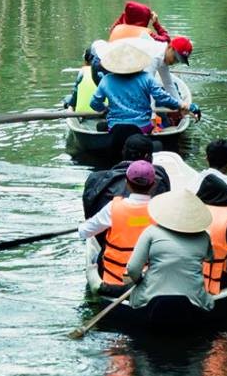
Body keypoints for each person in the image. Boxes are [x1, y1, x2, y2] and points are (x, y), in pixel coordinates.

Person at [92, 39, 193, 154]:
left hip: (114, 127)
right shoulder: (148, 71)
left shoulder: (106, 80)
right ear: (170, 48)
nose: (174, 62)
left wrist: (182, 105)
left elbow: (168, 84)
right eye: (175, 58)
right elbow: (155, 95)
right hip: (141, 127)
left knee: (118, 100)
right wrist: (154, 118)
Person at [79, 159, 158, 291]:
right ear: (153, 184)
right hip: (149, 284)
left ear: (127, 183)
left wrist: (82, 226)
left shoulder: (113, 208)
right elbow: (139, 221)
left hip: (114, 281)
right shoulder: (160, 210)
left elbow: (84, 232)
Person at [82, 133, 172, 218]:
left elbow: (89, 214)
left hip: (112, 229)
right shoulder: (159, 174)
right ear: (148, 156)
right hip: (145, 225)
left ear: (123, 152)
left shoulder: (95, 178)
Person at [60, 43, 103, 115]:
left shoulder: (83, 71)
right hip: (104, 112)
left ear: (86, 61)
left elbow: (74, 97)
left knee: (67, 99)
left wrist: (69, 104)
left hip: (82, 113)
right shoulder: (108, 73)